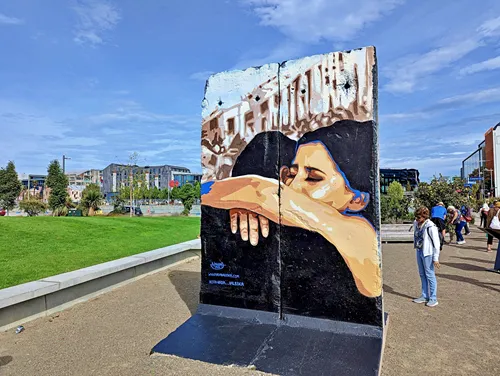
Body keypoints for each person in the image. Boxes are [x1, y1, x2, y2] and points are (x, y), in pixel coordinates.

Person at [202, 123, 381, 299]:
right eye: (292, 174)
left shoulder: (360, 232)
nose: (293, 186)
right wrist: (243, 204)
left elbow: (259, 191)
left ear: (357, 199)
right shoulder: (299, 233)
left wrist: (248, 199)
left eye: (313, 178)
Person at [412, 207, 440, 307]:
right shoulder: (416, 223)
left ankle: (433, 297)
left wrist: (435, 258)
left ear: (424, 216)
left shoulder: (431, 226)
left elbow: (436, 243)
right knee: (422, 274)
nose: (416, 219)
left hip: (428, 252)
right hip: (419, 250)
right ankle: (424, 295)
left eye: (419, 217)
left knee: (430, 274)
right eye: (416, 217)